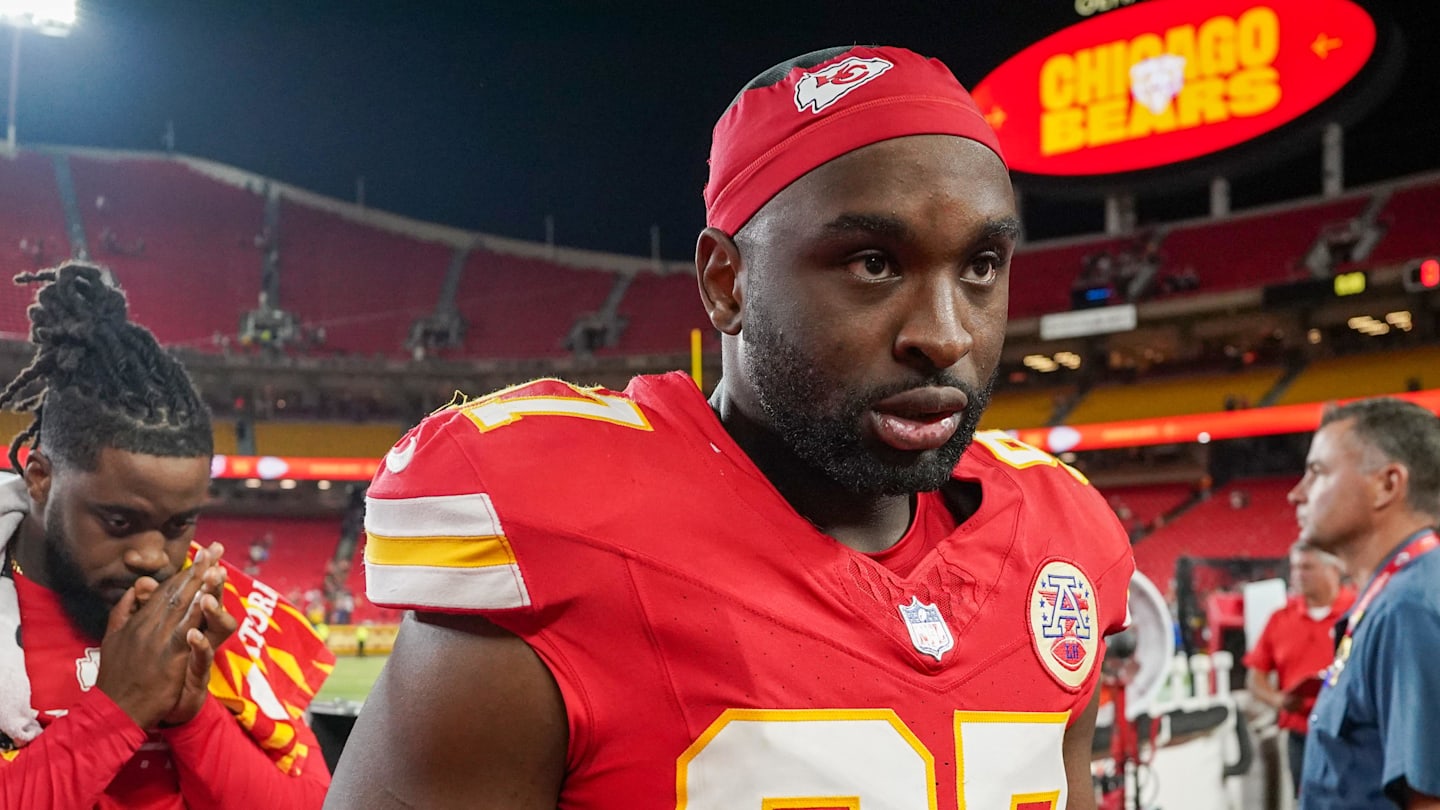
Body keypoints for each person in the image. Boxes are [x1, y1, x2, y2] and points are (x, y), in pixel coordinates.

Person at [328, 45, 1134, 809]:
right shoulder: (570, 539)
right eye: (873, 264)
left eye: (980, 267)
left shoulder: (1059, 544)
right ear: (726, 283)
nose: (947, 335)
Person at [0, 262, 331, 808]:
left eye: (179, 525)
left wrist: (193, 717)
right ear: (40, 479)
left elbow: (311, 801)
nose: (153, 556)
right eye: (119, 522)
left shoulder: (211, 617)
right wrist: (119, 710)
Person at [1288, 397, 1440, 808]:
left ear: (1388, 485)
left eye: (1317, 472)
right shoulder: (1399, 596)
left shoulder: (1409, 608)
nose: (1295, 494)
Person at [1244, 540, 1355, 796]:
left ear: (1333, 570)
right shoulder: (1280, 618)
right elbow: (1255, 676)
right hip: (1301, 734)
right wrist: (1278, 700)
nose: (1298, 575)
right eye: (1295, 568)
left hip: (1351, 733)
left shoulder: (1357, 610)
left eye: (1307, 567)